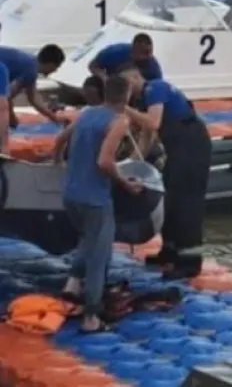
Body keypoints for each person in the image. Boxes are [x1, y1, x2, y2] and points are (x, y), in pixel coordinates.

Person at [52, 76, 142, 333]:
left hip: (71, 194)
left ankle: (72, 283)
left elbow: (59, 141)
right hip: (95, 198)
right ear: (127, 96)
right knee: (99, 256)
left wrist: (58, 165)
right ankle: (91, 316)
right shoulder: (119, 121)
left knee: (88, 239)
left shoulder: (87, 114)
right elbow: (104, 161)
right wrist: (125, 183)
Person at [119, 64, 211, 279]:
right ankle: (169, 250)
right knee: (169, 198)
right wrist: (131, 162)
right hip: (174, 148)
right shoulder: (142, 100)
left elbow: (153, 122)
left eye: (126, 85)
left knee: (186, 203)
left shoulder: (155, 88)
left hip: (190, 143)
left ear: (135, 77)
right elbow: (147, 135)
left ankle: (189, 261)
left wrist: (123, 108)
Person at [81, 75, 166, 171]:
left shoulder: (123, 116)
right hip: (120, 161)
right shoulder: (90, 115)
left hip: (139, 155)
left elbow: (150, 129)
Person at [0, 45, 67, 128]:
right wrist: (12, 121)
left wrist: (54, 118)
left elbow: (33, 98)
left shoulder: (31, 64)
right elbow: (7, 98)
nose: (55, 71)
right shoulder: (30, 69)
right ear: (50, 64)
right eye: (56, 67)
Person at [88, 34, 163, 82]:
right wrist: (104, 78)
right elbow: (92, 65)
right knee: (91, 86)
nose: (148, 56)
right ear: (134, 49)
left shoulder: (153, 68)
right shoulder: (115, 52)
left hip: (136, 93)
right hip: (110, 84)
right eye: (144, 52)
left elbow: (158, 88)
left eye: (150, 52)